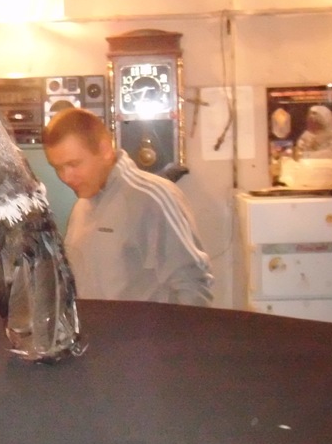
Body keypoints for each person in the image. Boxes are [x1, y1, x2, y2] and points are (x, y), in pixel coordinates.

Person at [42, 107, 212, 306]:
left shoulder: (152, 197)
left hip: (143, 327)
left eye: (74, 164)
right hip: (93, 326)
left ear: (105, 150)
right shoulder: (82, 207)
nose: (65, 177)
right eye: (58, 168)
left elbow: (193, 286)